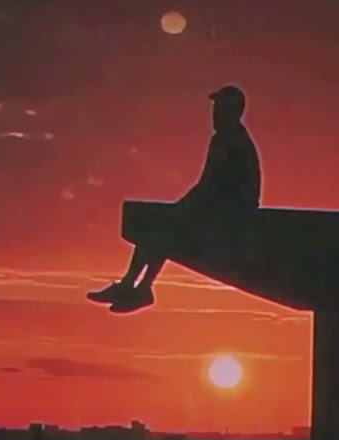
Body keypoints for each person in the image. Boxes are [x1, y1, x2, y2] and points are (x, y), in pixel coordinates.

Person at [87, 85, 262, 313]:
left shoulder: (228, 140)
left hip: (230, 214)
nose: (214, 114)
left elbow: (208, 183)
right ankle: (135, 286)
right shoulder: (234, 138)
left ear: (230, 111)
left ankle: (138, 286)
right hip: (226, 208)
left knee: (164, 226)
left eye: (219, 108)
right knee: (162, 224)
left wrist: (185, 206)